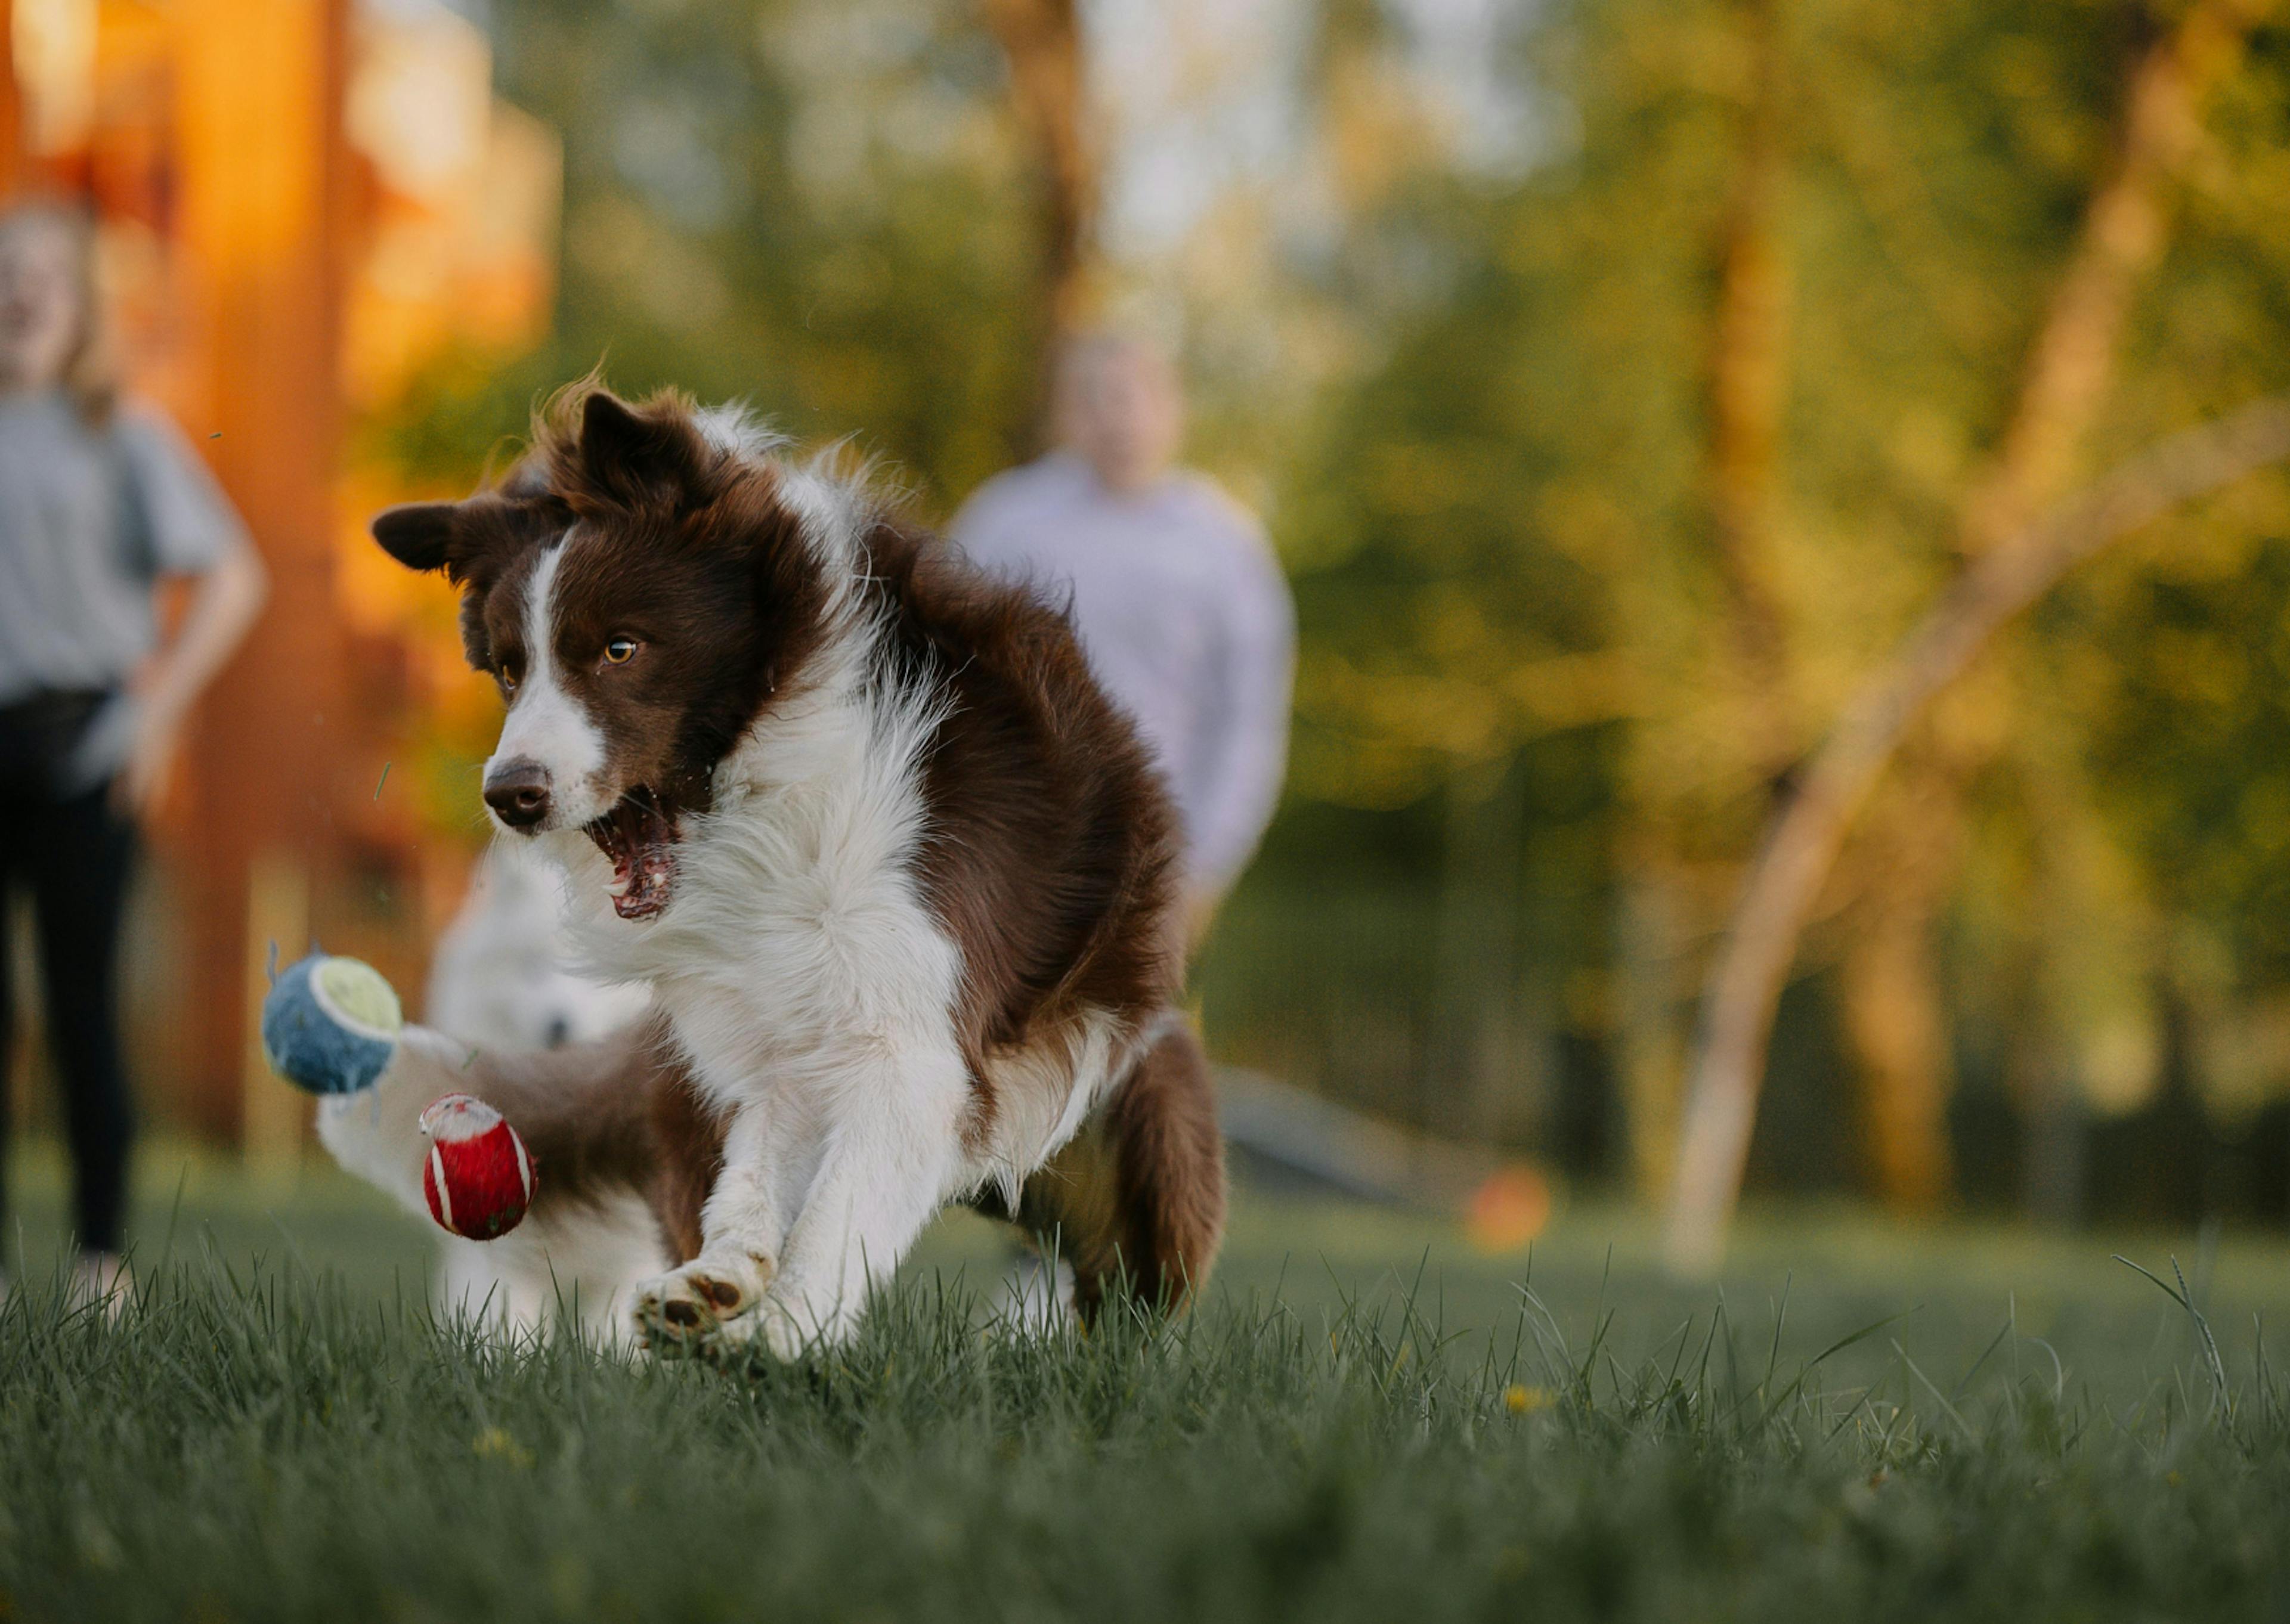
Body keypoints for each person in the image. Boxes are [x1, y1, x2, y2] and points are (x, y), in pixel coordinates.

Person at [0, 203, 267, 1302]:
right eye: (5, 270)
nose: (19, 288)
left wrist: (158, 713)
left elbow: (235, 576)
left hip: (88, 750)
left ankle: (99, 1263)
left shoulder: (122, 435)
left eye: (42, 275)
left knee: (79, 1006)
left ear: (78, 307)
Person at [952, 334, 1294, 938]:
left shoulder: (1225, 546)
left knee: (1145, 1032)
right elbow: (943, 668)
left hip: (1157, 869)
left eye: (1135, 396)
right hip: (1011, 857)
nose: (1117, 416)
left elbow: (1249, 722)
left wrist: (1209, 868)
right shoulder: (1003, 524)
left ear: (1174, 406)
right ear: (1064, 411)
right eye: (1094, 398)